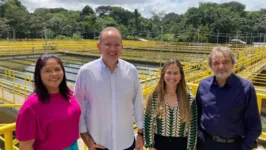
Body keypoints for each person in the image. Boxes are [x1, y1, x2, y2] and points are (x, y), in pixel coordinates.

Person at [74, 27, 144, 150]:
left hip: (126, 142)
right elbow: (79, 107)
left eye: (117, 44)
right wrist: (87, 139)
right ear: (99, 46)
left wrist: (140, 133)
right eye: (107, 44)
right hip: (98, 142)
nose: (112, 49)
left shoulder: (131, 71)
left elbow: (138, 103)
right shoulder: (86, 72)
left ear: (122, 46)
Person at [196, 47, 262, 150]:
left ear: (233, 64)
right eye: (216, 63)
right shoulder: (203, 85)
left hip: (233, 145)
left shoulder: (246, 88)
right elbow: (197, 114)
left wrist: (244, 147)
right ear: (211, 66)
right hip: (205, 144)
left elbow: (254, 125)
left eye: (226, 62)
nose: (221, 66)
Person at [16, 54, 81, 150]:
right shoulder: (31, 106)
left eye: (57, 69)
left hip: (73, 146)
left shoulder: (68, 93)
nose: (54, 74)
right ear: (39, 74)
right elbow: (25, 146)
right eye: (47, 71)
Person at [144, 59, 197, 150]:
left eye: (175, 73)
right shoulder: (155, 97)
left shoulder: (189, 99)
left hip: (181, 144)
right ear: (163, 75)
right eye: (169, 72)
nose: (172, 76)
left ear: (181, 76)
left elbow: (192, 127)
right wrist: (150, 146)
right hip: (159, 143)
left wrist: (190, 148)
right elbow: (149, 122)